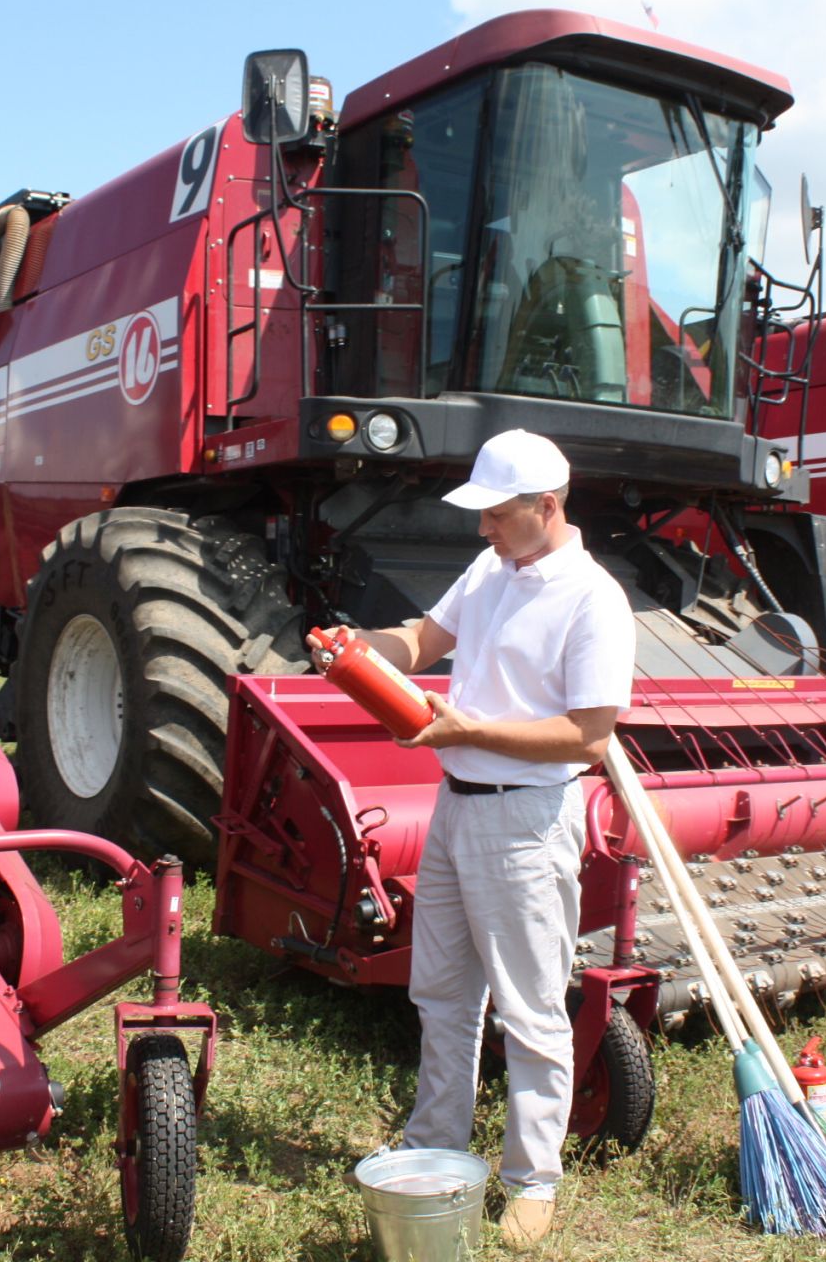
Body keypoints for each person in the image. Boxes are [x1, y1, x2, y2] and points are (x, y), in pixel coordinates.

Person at [324, 428, 635, 1248]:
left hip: (527, 821)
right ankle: (436, 1149)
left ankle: (533, 1180)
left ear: (547, 507)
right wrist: (363, 653)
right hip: (457, 807)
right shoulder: (493, 569)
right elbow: (424, 640)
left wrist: (471, 728)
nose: (483, 529)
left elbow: (588, 737)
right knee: (442, 996)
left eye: (497, 515)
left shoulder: (593, 599)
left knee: (532, 1011)